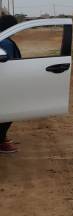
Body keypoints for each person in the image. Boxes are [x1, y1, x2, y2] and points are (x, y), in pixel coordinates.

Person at [0, 14, 21, 153]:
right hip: (6, 83)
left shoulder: (4, 39)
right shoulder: (5, 42)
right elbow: (7, 64)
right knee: (9, 112)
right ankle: (1, 141)